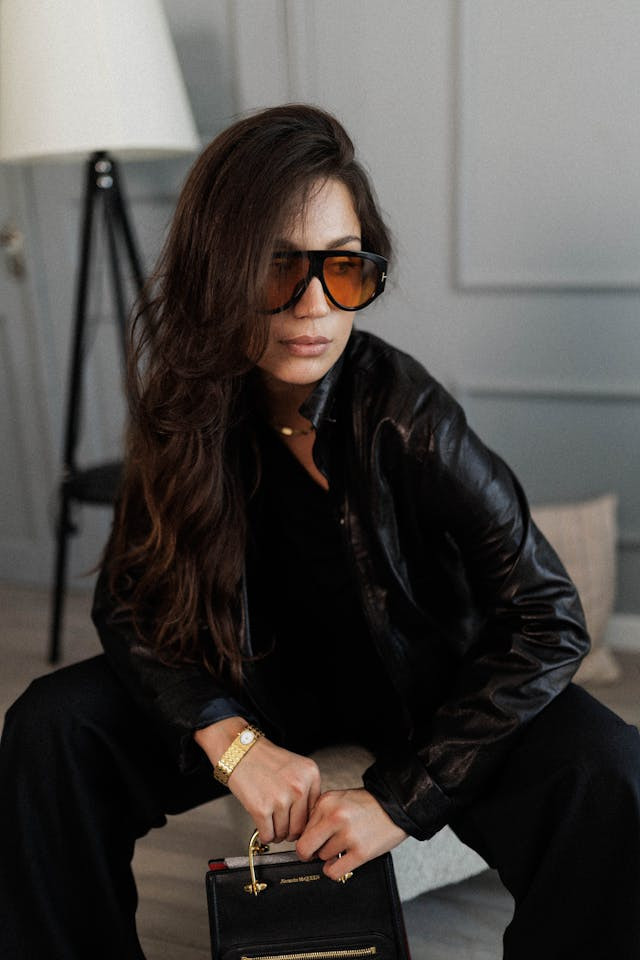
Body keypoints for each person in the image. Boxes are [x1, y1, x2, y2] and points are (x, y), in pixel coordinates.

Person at [1, 103, 639, 960]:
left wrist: (399, 800)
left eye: (343, 268)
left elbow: (549, 616)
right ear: (218, 271)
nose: (313, 306)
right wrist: (232, 740)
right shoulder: (185, 404)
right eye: (277, 268)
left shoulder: (407, 416)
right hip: (258, 679)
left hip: (423, 691)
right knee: (51, 725)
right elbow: (128, 601)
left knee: (612, 769)